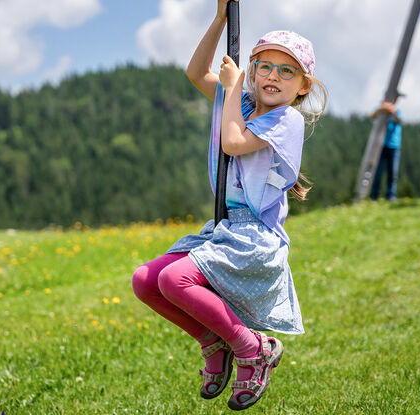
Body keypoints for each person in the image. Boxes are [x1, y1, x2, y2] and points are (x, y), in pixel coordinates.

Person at [132, 0, 327, 410]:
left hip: (256, 236)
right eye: (265, 67)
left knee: (175, 281)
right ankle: (213, 341)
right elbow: (196, 73)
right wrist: (221, 18)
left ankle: (253, 347)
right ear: (254, 70)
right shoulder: (242, 102)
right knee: (146, 281)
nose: (274, 76)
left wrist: (235, 86)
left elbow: (233, 142)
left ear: (303, 86)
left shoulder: (286, 120)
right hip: (225, 227)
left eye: (287, 70)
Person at [369, 95, 403, 201]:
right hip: (380, 145)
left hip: (394, 146)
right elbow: (372, 116)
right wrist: (381, 109)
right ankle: (374, 195)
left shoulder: (397, 112)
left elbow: (399, 121)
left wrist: (392, 111)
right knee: (377, 171)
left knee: (393, 172)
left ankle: (391, 195)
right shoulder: (380, 110)